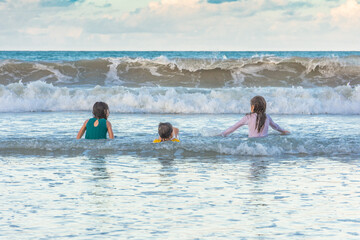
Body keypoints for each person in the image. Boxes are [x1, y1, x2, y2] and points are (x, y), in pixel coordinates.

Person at [221, 96, 290, 138]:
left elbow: (234, 127)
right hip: (264, 141)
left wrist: (223, 134)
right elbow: (276, 127)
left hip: (253, 142)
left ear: (253, 107)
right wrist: (283, 131)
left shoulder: (248, 117)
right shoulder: (267, 117)